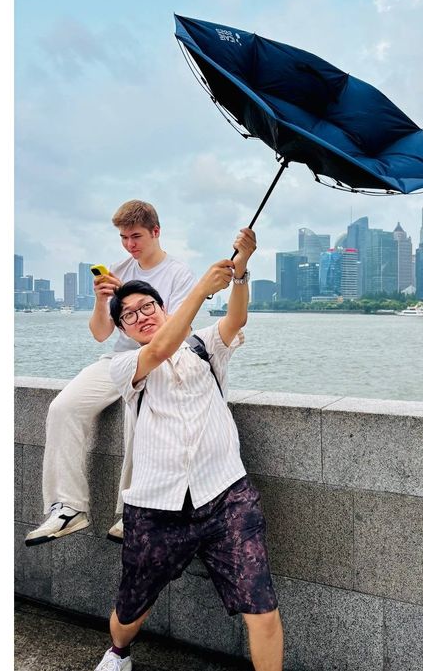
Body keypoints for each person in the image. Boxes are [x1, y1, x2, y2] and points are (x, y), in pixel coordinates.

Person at [94, 228, 282, 671]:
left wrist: (240, 272)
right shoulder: (124, 365)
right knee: (131, 607)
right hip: (156, 505)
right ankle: (118, 651)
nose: (141, 316)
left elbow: (235, 319)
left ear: (163, 308)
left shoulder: (203, 346)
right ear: (123, 329)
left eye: (148, 306)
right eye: (130, 315)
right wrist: (201, 289)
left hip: (226, 495)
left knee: (262, 606)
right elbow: (159, 349)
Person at [25, 200, 196, 547]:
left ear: (155, 232)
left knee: (137, 413)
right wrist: (101, 301)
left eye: (136, 236)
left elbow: (179, 330)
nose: (129, 245)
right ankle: (68, 507)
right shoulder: (119, 269)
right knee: (63, 408)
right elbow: (101, 334)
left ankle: (132, 510)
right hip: (118, 358)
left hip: (159, 358)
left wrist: (137, 310)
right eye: (123, 238)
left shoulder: (179, 274)